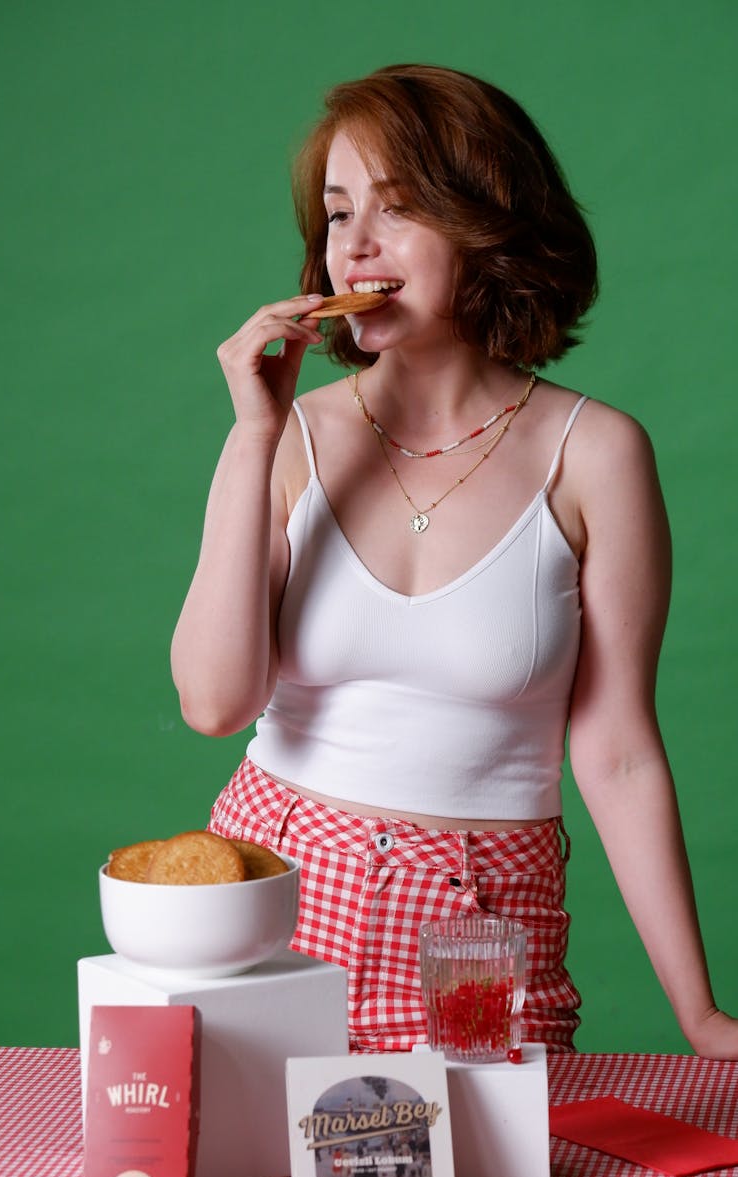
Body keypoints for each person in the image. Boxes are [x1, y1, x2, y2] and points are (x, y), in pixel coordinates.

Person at [171, 64, 738, 1059]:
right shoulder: (294, 436)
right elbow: (214, 703)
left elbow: (618, 750)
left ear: (489, 224)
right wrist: (251, 438)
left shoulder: (596, 453)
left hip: (478, 923)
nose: (353, 242)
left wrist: (700, 1013)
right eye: (338, 213)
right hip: (275, 897)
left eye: (396, 209)